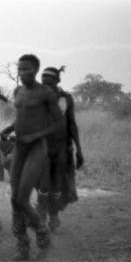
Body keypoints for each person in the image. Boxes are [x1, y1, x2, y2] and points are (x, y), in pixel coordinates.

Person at [0, 54, 63, 261]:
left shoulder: (45, 92)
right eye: (20, 69)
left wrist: (35, 136)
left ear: (36, 70)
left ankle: (42, 234)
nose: (22, 73)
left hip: (37, 147)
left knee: (22, 198)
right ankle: (23, 246)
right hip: (19, 147)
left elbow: (57, 124)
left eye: (26, 69)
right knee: (14, 199)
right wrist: (8, 129)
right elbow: (22, 116)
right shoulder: (18, 91)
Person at [36, 66, 84, 232]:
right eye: (43, 82)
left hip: (62, 148)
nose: (45, 86)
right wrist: (11, 129)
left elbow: (72, 124)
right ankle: (41, 218)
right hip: (42, 146)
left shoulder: (66, 99)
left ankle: (54, 215)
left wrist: (79, 150)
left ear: (57, 81)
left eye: (49, 82)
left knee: (57, 185)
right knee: (43, 184)